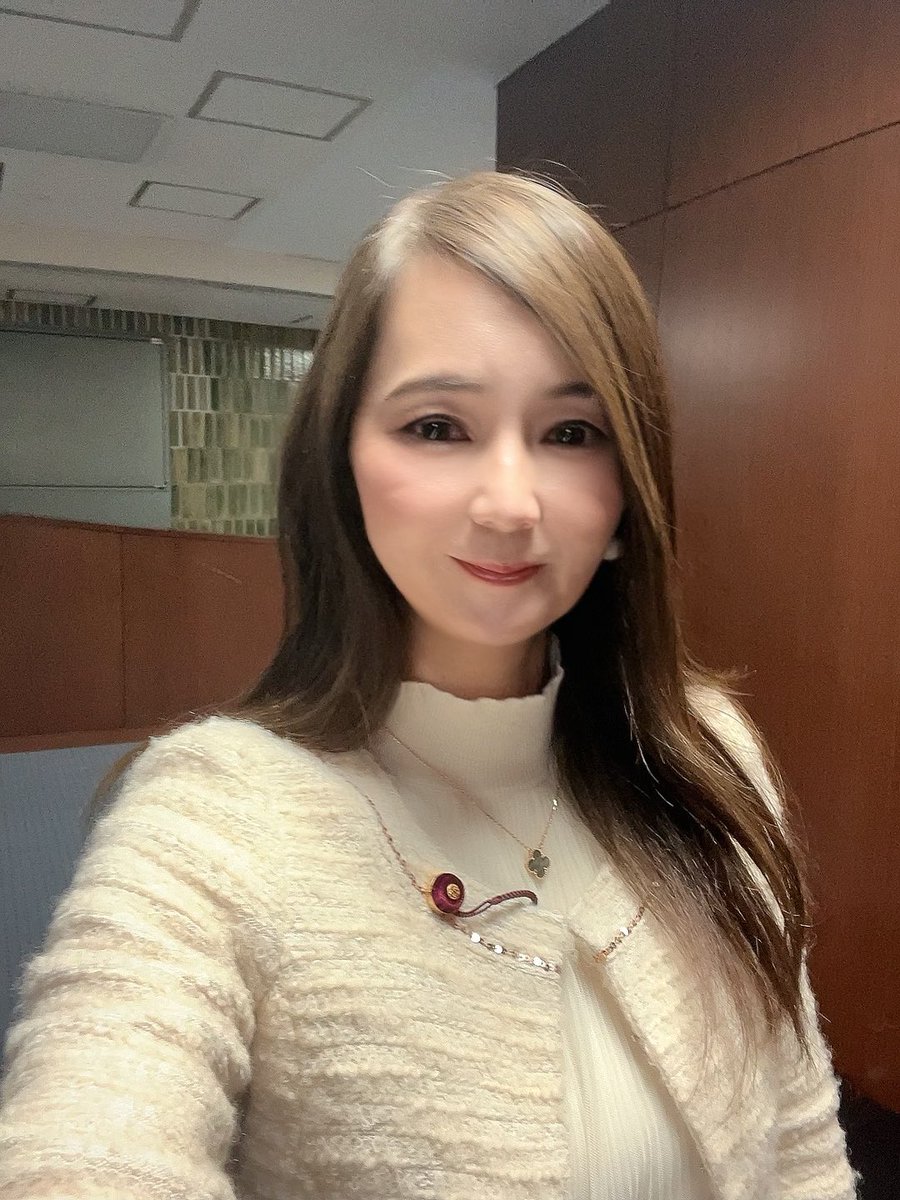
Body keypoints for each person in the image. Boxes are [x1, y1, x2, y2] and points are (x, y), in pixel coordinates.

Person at [0, 172, 857, 1200]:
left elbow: (801, 1148)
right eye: (439, 426)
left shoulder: (705, 753)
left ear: (626, 492)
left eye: (571, 433)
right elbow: (89, 1142)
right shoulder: (214, 816)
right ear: (342, 463)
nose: (509, 505)